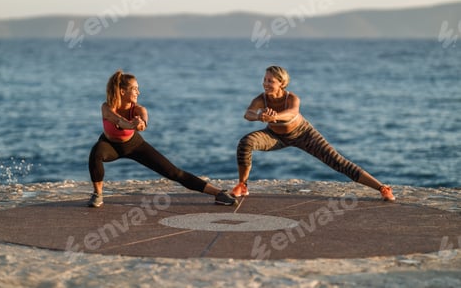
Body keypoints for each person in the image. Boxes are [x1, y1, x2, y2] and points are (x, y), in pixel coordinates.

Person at [232, 65, 395, 201]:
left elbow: (292, 113)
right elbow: (248, 114)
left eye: (270, 81)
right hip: (274, 136)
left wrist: (274, 116)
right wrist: (260, 116)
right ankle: (242, 185)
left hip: (304, 134)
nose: (265, 84)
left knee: (337, 161)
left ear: (281, 83)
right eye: (265, 80)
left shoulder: (292, 98)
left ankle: (382, 188)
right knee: (246, 142)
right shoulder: (262, 99)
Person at [88, 70, 237, 207]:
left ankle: (218, 193)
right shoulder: (107, 107)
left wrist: (139, 124)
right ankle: (98, 194)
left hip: (134, 144)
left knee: (174, 173)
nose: (138, 92)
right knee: (96, 153)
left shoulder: (139, 109)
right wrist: (130, 124)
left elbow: (143, 123)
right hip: (109, 145)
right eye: (135, 89)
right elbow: (119, 121)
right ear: (122, 91)